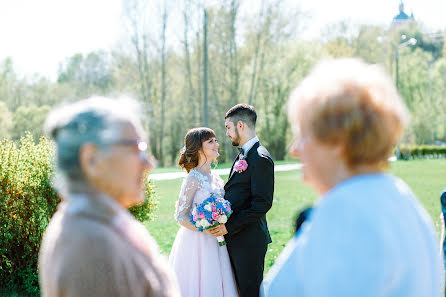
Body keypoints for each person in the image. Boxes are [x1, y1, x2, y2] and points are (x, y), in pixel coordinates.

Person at [261, 58, 442, 297]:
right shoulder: (400, 198)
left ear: (337, 140)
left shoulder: (347, 211)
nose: (295, 149)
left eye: (303, 134)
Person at [39, 96, 180, 297]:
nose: (149, 164)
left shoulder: (92, 224)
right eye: (137, 148)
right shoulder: (93, 245)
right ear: (92, 159)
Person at [210, 104, 274, 297]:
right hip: (238, 239)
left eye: (228, 127)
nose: (227, 133)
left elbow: (261, 204)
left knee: (249, 293)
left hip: (249, 242)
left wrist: (229, 226)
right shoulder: (244, 155)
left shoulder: (260, 158)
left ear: (241, 125)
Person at [169, 127, 239, 297]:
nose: (217, 144)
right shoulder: (193, 178)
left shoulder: (215, 177)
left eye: (215, 140)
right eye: (211, 141)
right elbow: (181, 215)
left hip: (217, 239)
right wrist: (203, 227)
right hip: (197, 242)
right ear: (199, 148)